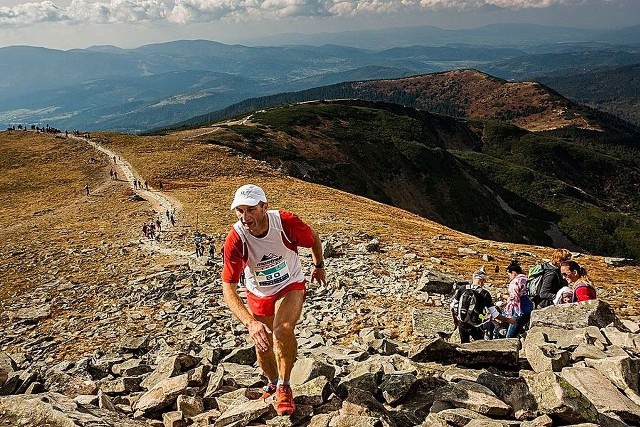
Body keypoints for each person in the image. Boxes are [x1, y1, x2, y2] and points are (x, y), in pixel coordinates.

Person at [221, 184, 326, 416]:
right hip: (259, 293)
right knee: (263, 344)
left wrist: (319, 266)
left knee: (283, 329)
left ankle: (284, 386)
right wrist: (250, 323)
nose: (245, 217)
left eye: (251, 210)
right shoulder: (236, 238)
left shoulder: (285, 223)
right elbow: (228, 286)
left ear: (264, 207)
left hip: (290, 284)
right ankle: (272, 381)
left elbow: (314, 237)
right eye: (239, 211)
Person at [450, 266, 514, 343]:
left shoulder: (462, 288)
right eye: (484, 281)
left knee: (464, 344)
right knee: (480, 344)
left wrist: (455, 319)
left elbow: (452, 306)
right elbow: (495, 314)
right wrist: (508, 320)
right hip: (476, 324)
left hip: (462, 322)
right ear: (482, 281)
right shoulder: (485, 294)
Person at [504, 260, 534, 338]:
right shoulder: (527, 279)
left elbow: (515, 299)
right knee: (520, 330)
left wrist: (506, 297)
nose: (509, 277)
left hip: (519, 310)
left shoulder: (515, 282)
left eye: (509, 274)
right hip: (530, 308)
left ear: (513, 272)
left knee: (510, 337)